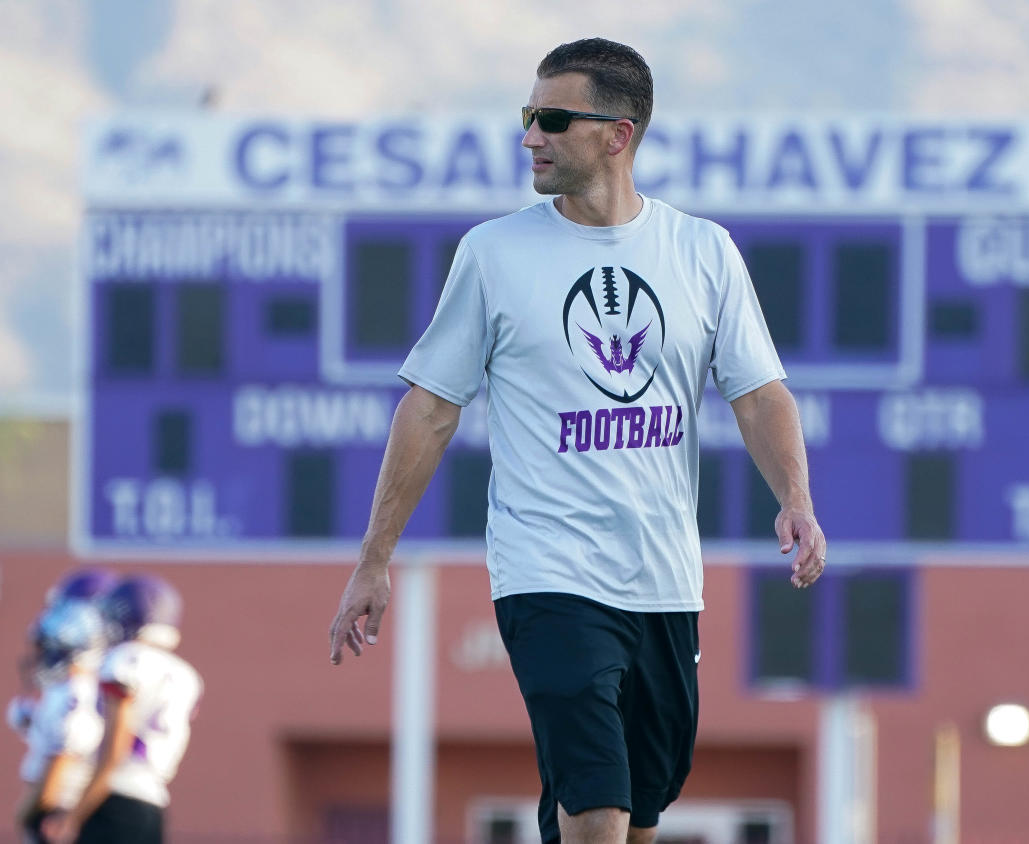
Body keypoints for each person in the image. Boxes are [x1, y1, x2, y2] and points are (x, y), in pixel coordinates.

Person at [329, 37, 826, 844]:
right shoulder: (493, 254)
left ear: (617, 134)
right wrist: (374, 557)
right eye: (528, 118)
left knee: (636, 817)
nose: (530, 136)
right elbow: (429, 411)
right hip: (547, 571)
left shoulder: (703, 252)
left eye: (552, 119)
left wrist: (796, 499)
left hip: (665, 582)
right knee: (599, 802)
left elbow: (758, 392)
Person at [47, 574, 203, 844]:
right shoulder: (185, 674)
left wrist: (75, 814)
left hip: (115, 799)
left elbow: (115, 748)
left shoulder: (125, 660)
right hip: (153, 801)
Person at [13, 600, 109, 844]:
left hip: (54, 813)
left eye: (47, 647)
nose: (42, 655)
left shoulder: (73, 695)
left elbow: (60, 762)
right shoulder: (78, 691)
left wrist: (24, 814)